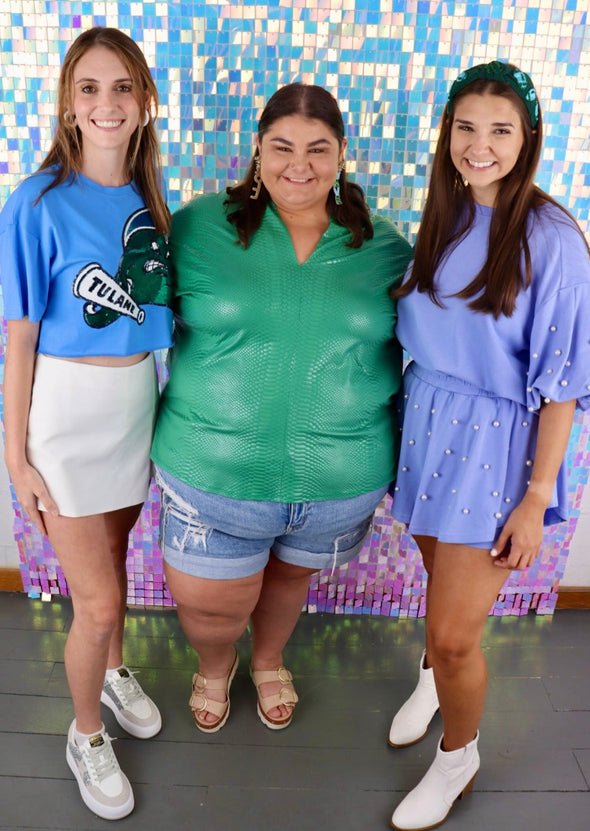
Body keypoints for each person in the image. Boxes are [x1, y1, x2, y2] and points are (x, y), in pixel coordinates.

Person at [151, 82, 413, 734]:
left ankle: (268, 660)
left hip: (338, 482)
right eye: (283, 146)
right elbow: (137, 326)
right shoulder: (196, 227)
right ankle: (215, 666)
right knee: (212, 609)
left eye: (318, 148)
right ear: (257, 149)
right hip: (213, 475)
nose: (300, 164)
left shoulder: (385, 248)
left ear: (342, 154)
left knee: (288, 584)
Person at [388, 61, 590, 830]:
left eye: (500, 130)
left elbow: (563, 383)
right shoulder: (446, 214)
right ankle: (432, 678)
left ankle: (457, 755)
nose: (479, 146)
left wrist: (537, 497)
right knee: (435, 578)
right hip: (431, 421)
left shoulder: (554, 239)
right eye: (465, 127)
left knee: (455, 629)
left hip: (496, 447)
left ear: (528, 137)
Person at [0, 27, 173, 820]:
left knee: (116, 570)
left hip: (134, 410)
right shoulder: (34, 202)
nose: (107, 103)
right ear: (69, 104)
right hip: (65, 421)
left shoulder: (151, 203)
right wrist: (16, 455)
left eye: (122, 88)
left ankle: (112, 669)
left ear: (144, 103)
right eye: (89, 88)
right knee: (96, 600)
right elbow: (22, 337)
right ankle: (85, 732)